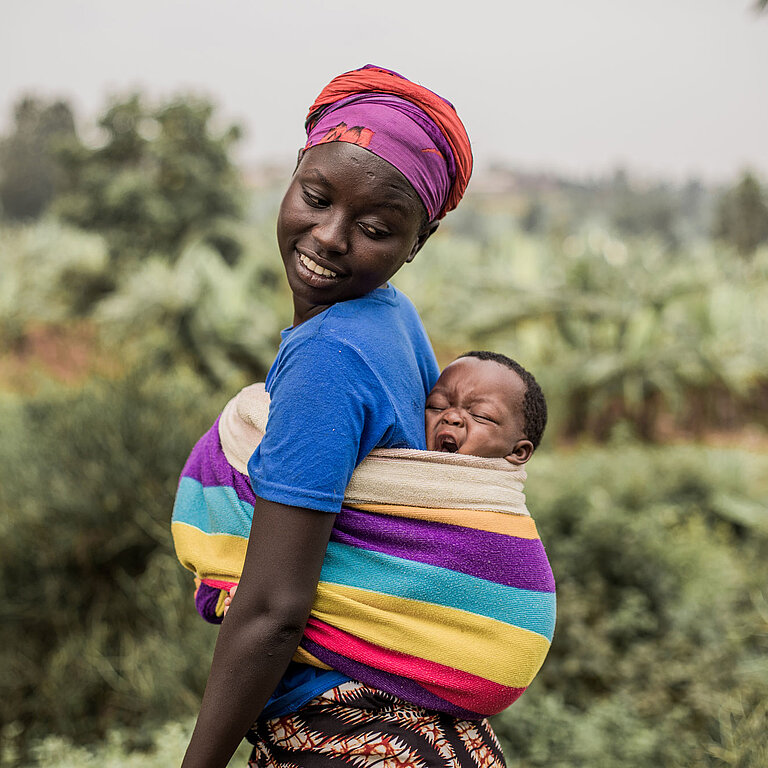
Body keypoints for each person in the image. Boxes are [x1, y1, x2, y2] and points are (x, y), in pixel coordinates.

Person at [180, 65, 515, 768]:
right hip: (428, 733)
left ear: (414, 244)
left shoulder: (327, 357)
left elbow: (274, 611)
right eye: (316, 196)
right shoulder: (389, 319)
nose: (330, 237)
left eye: (373, 227)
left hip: (346, 731)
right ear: (296, 169)